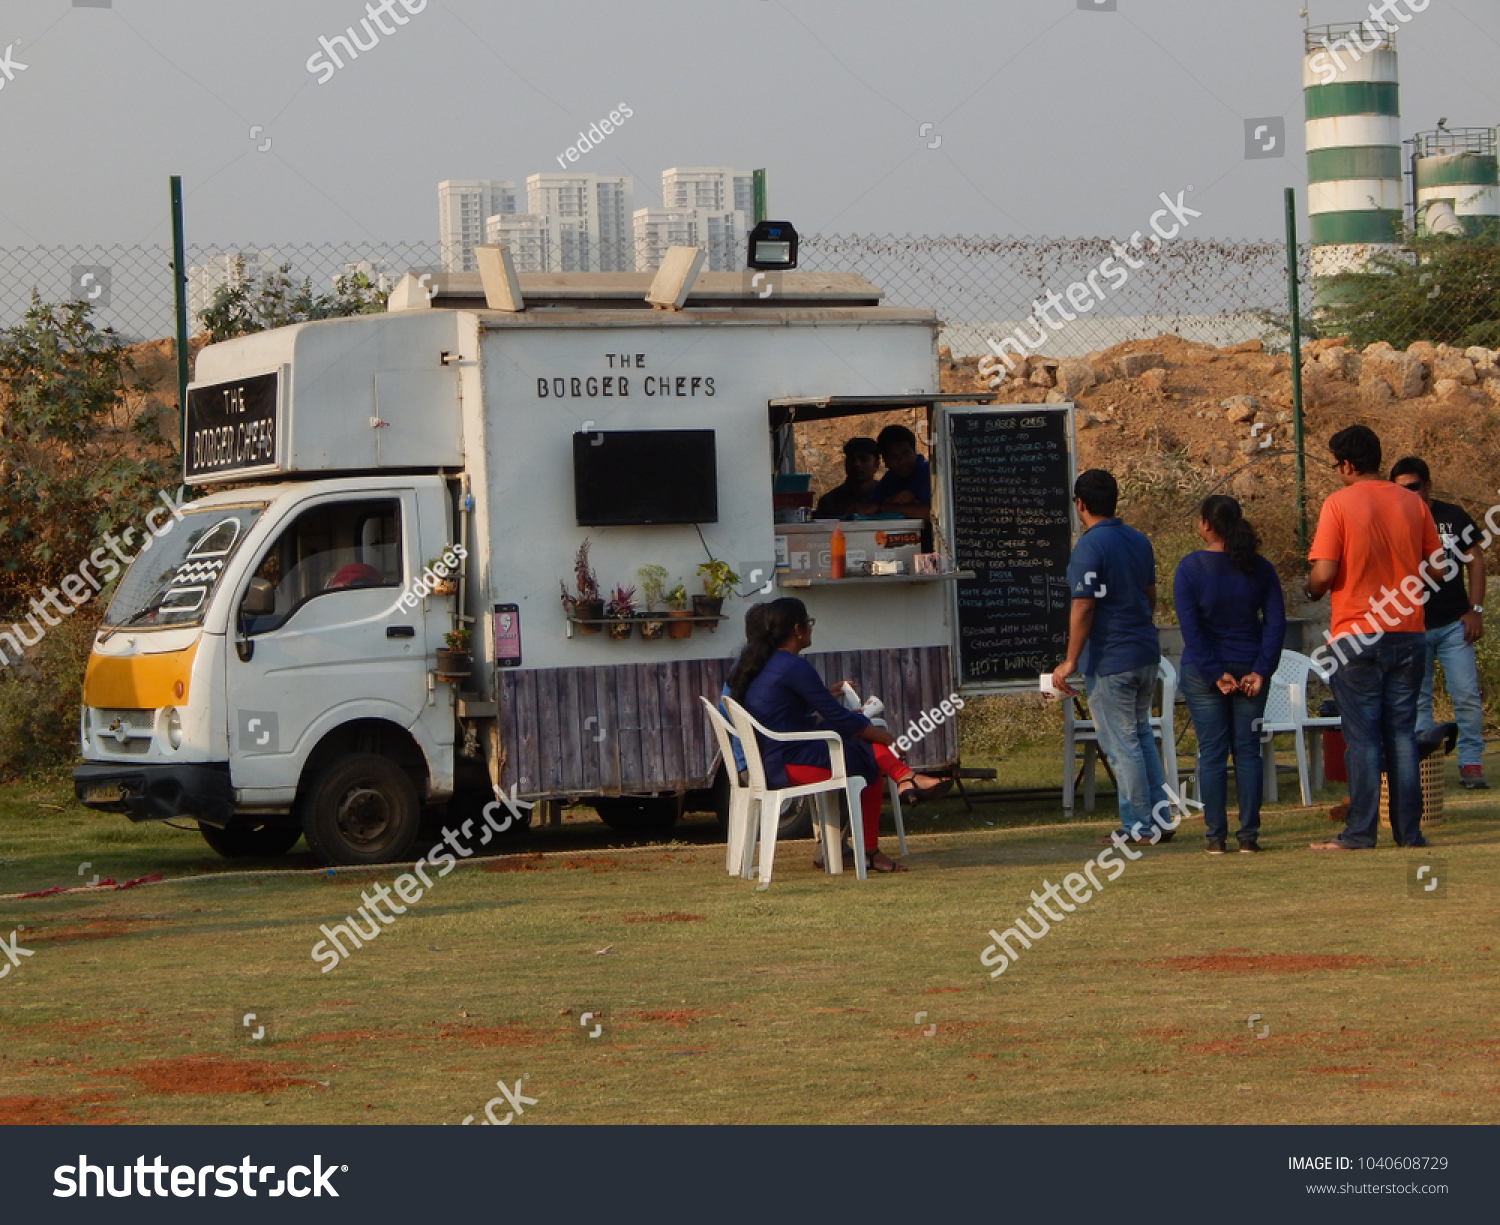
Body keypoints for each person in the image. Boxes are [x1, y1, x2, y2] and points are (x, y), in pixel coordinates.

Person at [727, 598, 947, 873]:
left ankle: (904, 779)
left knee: (861, 745)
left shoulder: (761, 665)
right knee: (868, 756)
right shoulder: (792, 666)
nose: (810, 629)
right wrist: (884, 738)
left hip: (772, 758)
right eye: (809, 623)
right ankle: (877, 835)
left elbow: (789, 715)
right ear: (798, 629)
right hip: (786, 764)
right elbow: (837, 716)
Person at [1305, 425, 1440, 851]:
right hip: (1407, 631)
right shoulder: (1413, 503)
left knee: (1363, 738)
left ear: (1346, 464)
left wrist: (1311, 589)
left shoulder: (1339, 504)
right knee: (1401, 734)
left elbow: (1324, 574)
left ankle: (1360, 832)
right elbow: (1437, 569)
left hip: (1357, 632)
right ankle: (1408, 833)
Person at [1049, 469, 1172, 845]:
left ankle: (1138, 826)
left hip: (1110, 659)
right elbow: (1149, 595)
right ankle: (1159, 819)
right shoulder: (1138, 540)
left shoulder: (1090, 545)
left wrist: (1070, 660)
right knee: (1140, 736)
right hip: (1143, 652)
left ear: (1080, 504)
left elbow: (1084, 605)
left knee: (1122, 745)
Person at [1173, 495, 1286, 854]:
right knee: (1248, 751)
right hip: (1249, 665)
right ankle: (1249, 836)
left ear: (1206, 525)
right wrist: (1261, 670)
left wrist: (1213, 671)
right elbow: (1275, 624)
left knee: (1211, 753)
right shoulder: (1260, 568)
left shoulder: (1190, 568)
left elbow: (1190, 629)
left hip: (1204, 671)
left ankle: (1215, 836)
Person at [1389, 456, 1488, 789]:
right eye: (1400, 489)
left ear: (1428, 485)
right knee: (1416, 700)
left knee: (1466, 695)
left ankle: (1471, 763)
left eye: (1413, 487)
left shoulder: (1452, 516)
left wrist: (1476, 609)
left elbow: (1476, 560)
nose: (1408, 494)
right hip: (1412, 627)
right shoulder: (1391, 520)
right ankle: (1423, 768)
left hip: (1452, 625)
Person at [854, 424, 931, 521]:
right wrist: (889, 502)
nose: (902, 461)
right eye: (893, 457)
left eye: (906, 454)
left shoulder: (928, 472)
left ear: (915, 451)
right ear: (885, 462)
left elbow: (931, 513)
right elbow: (866, 509)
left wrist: (885, 507)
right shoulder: (890, 478)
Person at [814, 437, 881, 519]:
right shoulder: (829, 501)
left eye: (864, 459)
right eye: (852, 459)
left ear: (877, 464)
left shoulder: (888, 497)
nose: (857, 464)